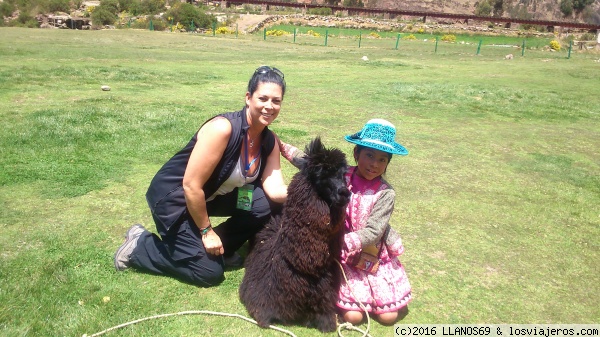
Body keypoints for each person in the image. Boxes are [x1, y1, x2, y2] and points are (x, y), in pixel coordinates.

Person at [114, 66, 289, 287]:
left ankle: (222, 248)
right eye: (263, 98)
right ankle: (140, 246)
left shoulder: (269, 141)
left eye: (276, 101)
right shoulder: (223, 129)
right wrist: (206, 232)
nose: (269, 106)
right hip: (176, 199)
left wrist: (310, 189)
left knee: (263, 202)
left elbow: (274, 189)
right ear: (248, 98)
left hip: (210, 197)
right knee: (208, 273)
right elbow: (191, 186)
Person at [279, 119, 413, 325]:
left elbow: (375, 230)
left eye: (382, 159)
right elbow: (309, 162)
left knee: (388, 318)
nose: (374, 164)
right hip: (342, 255)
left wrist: (346, 243)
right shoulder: (343, 175)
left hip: (368, 250)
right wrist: (279, 145)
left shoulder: (386, 193)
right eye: (369, 155)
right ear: (356, 154)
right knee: (353, 317)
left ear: (387, 163)